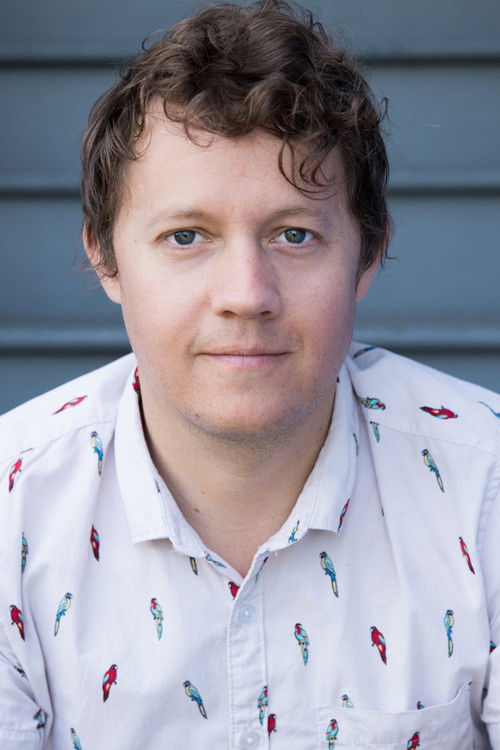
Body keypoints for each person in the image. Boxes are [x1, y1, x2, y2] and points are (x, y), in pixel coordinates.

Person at [0, 0, 499, 747]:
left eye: (294, 234)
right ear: (106, 258)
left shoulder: (486, 485)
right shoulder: (12, 509)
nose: (246, 294)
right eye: (186, 236)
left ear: (365, 256)